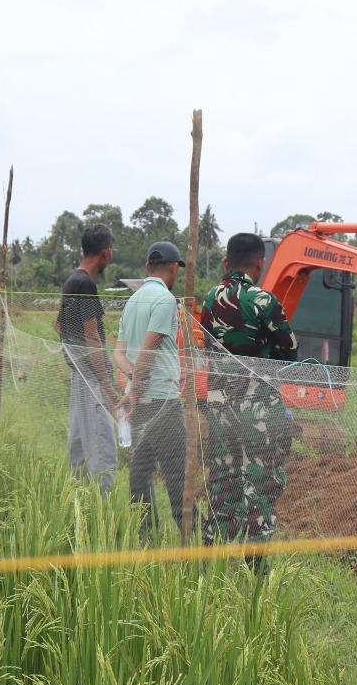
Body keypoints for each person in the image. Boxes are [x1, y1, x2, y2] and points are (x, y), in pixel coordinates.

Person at [198, 232, 299, 548]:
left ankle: (214, 552)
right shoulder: (264, 301)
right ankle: (256, 559)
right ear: (260, 263)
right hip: (257, 407)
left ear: (226, 262)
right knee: (261, 480)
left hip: (218, 406)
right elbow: (290, 352)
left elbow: (209, 347)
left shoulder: (210, 299)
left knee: (223, 479)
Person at [115, 241, 187, 539]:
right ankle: (189, 543)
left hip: (140, 401)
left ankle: (147, 536)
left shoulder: (133, 301)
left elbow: (119, 353)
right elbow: (149, 350)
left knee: (141, 471)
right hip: (162, 400)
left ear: (147, 268)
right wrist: (137, 386)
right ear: (173, 269)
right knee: (177, 473)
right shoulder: (165, 300)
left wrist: (132, 383)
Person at [57, 224, 120, 494]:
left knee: (80, 449)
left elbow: (58, 326)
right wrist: (106, 384)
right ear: (105, 252)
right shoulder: (85, 284)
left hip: (78, 377)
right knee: (101, 450)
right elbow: (92, 337)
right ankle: (102, 516)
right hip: (91, 381)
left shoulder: (72, 280)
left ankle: (78, 507)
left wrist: (74, 356)